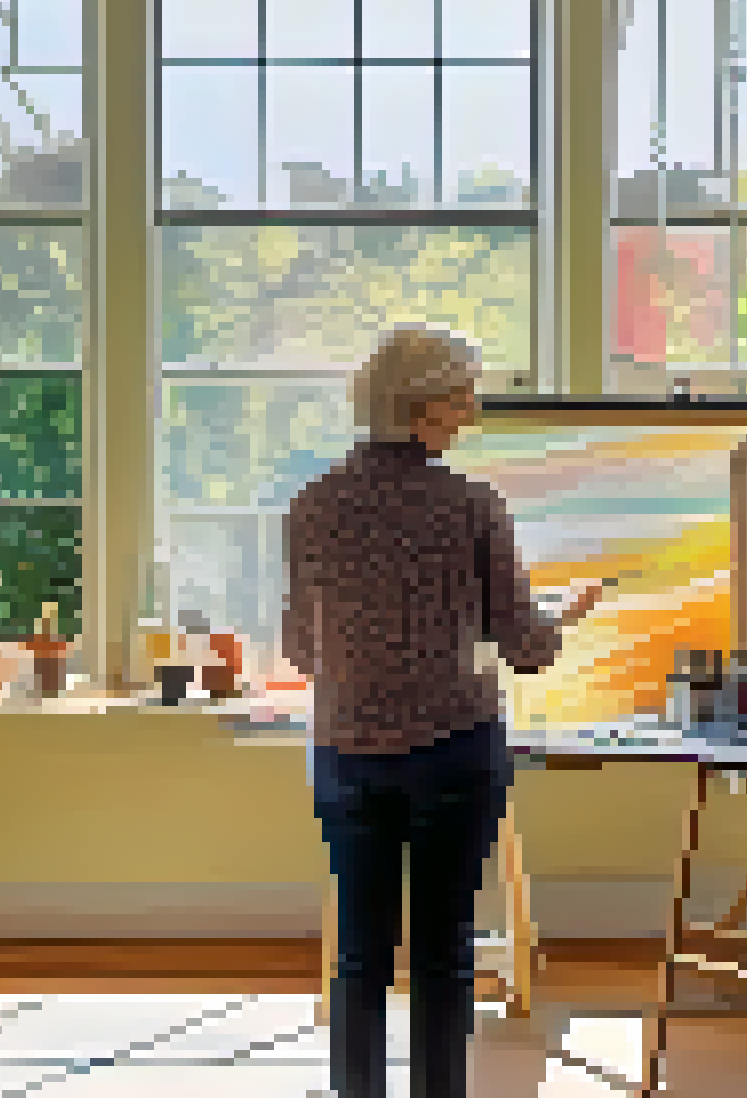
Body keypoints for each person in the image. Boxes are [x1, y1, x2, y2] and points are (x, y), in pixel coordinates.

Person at [283, 326, 607, 1098]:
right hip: (452, 750)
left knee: (359, 955)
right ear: (425, 403)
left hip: (345, 752)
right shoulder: (470, 506)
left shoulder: (313, 505)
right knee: (441, 952)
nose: (472, 403)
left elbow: (301, 649)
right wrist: (568, 614)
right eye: (464, 389)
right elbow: (524, 647)